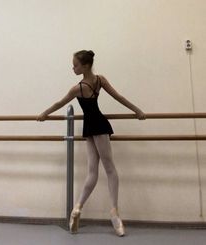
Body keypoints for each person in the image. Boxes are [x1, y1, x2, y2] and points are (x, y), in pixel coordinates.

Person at [37, 50, 146, 236]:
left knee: (92, 172)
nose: (73, 67)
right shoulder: (100, 80)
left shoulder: (77, 88)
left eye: (76, 65)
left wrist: (44, 114)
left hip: (89, 127)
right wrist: (137, 110)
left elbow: (59, 103)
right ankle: (114, 213)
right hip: (100, 126)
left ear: (85, 66)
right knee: (110, 169)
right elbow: (119, 97)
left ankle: (77, 208)